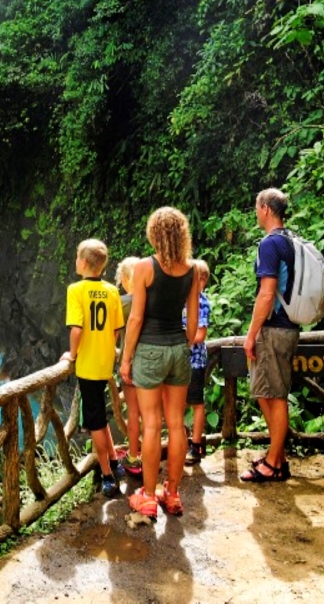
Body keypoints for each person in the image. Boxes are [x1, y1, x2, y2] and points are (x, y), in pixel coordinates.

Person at [120, 207, 199, 518]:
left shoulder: (144, 268)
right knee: (177, 424)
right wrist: (183, 342)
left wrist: (126, 359)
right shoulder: (192, 270)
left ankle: (149, 497)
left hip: (149, 350)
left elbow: (136, 317)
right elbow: (192, 323)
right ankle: (174, 494)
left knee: (152, 424)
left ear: (154, 233)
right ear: (182, 235)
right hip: (178, 348)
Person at [60, 239, 126, 498]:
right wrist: (107, 349)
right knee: (100, 416)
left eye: (77, 256)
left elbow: (76, 328)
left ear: (84, 263)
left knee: (95, 423)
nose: (75, 261)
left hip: (87, 365)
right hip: (105, 362)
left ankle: (108, 477)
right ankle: (115, 461)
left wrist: (72, 355)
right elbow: (117, 329)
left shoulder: (75, 290)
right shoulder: (112, 291)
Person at [241, 188, 299, 482]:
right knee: (269, 393)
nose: (255, 212)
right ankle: (279, 457)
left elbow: (266, 294)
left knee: (273, 396)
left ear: (265, 208)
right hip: (288, 327)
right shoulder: (291, 240)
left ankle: (274, 464)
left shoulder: (270, 244)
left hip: (273, 327)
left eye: (256, 207)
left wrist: (251, 334)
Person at [115, 256, 143, 476]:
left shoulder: (123, 303)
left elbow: (112, 334)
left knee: (133, 412)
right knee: (154, 414)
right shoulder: (153, 299)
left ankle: (134, 456)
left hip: (131, 364)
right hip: (155, 362)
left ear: (124, 278)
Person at [184, 260, 212, 465]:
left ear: (202, 281)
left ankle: (196, 445)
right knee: (178, 404)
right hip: (179, 362)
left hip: (195, 361)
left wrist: (180, 341)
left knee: (196, 402)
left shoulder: (202, 302)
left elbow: (200, 335)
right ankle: (182, 441)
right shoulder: (181, 301)